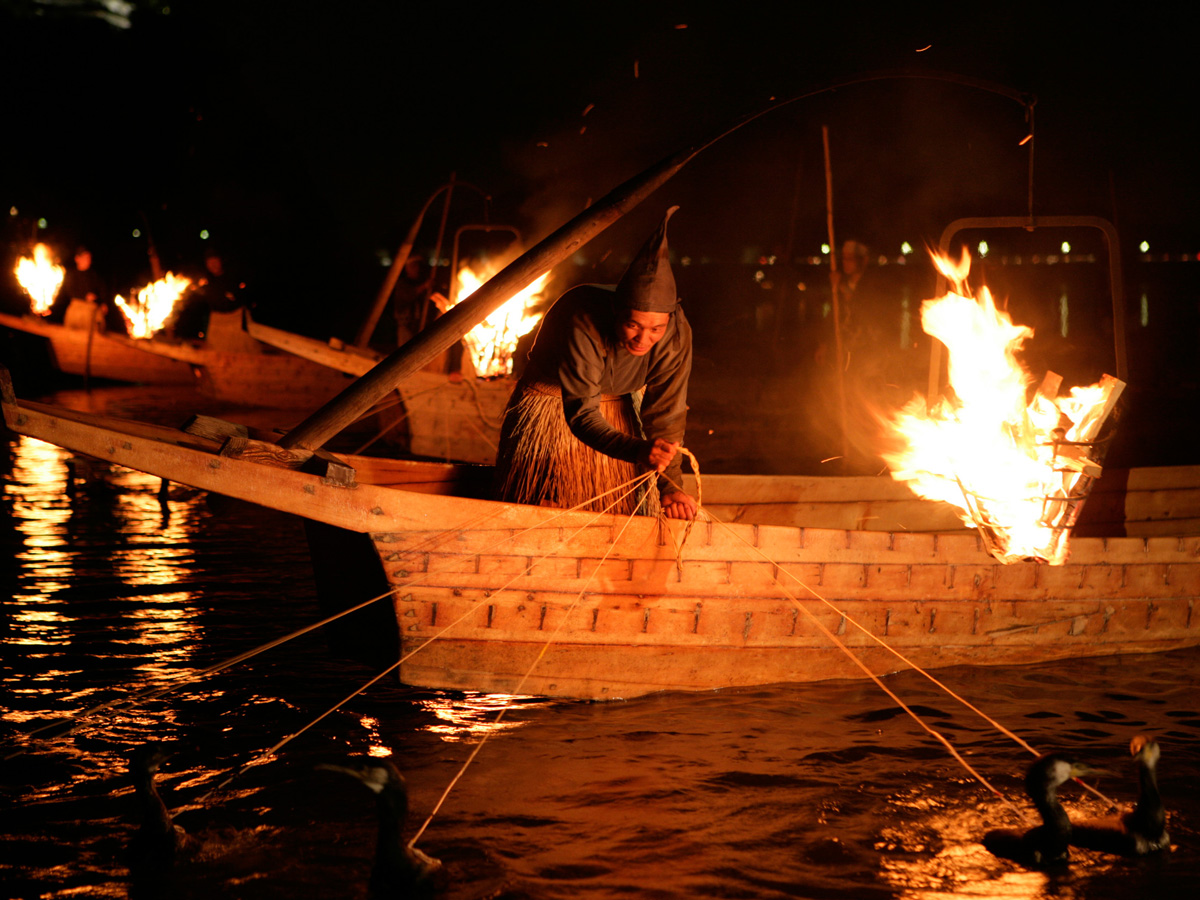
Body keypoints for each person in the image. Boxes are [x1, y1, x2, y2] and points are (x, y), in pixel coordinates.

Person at [494, 206, 698, 520]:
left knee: (621, 516)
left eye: (655, 329)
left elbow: (666, 416)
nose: (643, 339)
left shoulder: (677, 332)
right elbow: (582, 415)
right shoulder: (582, 319)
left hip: (619, 412)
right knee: (540, 513)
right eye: (633, 325)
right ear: (617, 310)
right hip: (554, 413)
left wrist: (670, 484)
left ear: (669, 319)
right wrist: (636, 450)